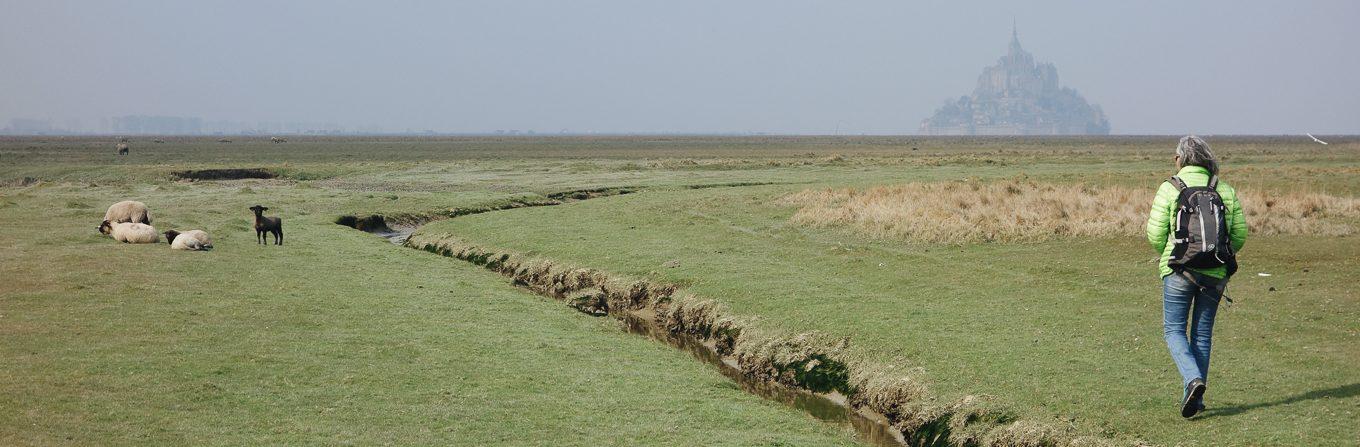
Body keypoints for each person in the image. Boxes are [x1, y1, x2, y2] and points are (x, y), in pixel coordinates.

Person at [1145, 135, 1248, 418]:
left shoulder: (1170, 188)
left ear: (1181, 159)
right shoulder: (1224, 189)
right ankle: (1195, 400)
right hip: (1215, 273)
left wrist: (1170, 253)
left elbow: (1155, 235)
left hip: (1178, 270)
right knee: (1201, 335)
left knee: (1174, 331)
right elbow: (1239, 235)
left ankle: (1192, 381)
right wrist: (1217, 256)